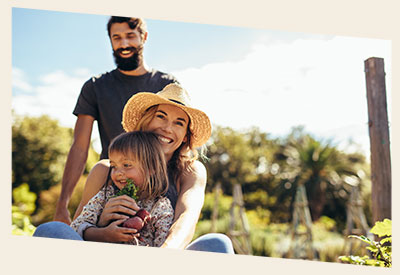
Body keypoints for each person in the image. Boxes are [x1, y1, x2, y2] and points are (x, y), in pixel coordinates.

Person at [35, 83, 234, 253]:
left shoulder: (189, 171)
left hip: (161, 258)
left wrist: (163, 256)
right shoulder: (105, 171)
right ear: (145, 121)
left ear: (185, 136)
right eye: (161, 116)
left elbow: (186, 220)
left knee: (218, 244)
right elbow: (76, 229)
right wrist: (103, 226)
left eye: (178, 123)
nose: (167, 127)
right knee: (51, 231)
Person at [54, 16, 177, 224]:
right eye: (117, 38)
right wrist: (62, 202)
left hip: (158, 188)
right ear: (110, 40)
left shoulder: (166, 84)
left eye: (130, 36)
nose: (124, 44)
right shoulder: (95, 87)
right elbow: (80, 146)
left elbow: (177, 137)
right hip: (111, 184)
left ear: (144, 37)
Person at [70, 131, 174, 247]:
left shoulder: (160, 207)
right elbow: (74, 228)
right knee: (55, 228)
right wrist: (103, 232)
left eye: (126, 165)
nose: (118, 173)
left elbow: (163, 245)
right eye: (113, 166)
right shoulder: (106, 196)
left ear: (152, 168)